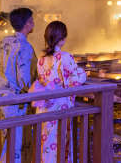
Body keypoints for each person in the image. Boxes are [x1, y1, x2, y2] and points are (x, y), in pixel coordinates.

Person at [30, 21, 86, 163]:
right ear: (62, 39)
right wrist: (83, 73)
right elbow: (77, 78)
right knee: (60, 140)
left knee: (45, 141)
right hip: (61, 106)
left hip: (44, 106)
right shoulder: (66, 57)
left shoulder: (41, 59)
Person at [0, 8, 37, 163]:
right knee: (15, 144)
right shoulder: (25, 47)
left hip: (1, 97)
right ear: (27, 24)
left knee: (7, 140)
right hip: (16, 101)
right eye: (31, 20)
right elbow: (24, 80)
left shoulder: (5, 41)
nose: (33, 23)